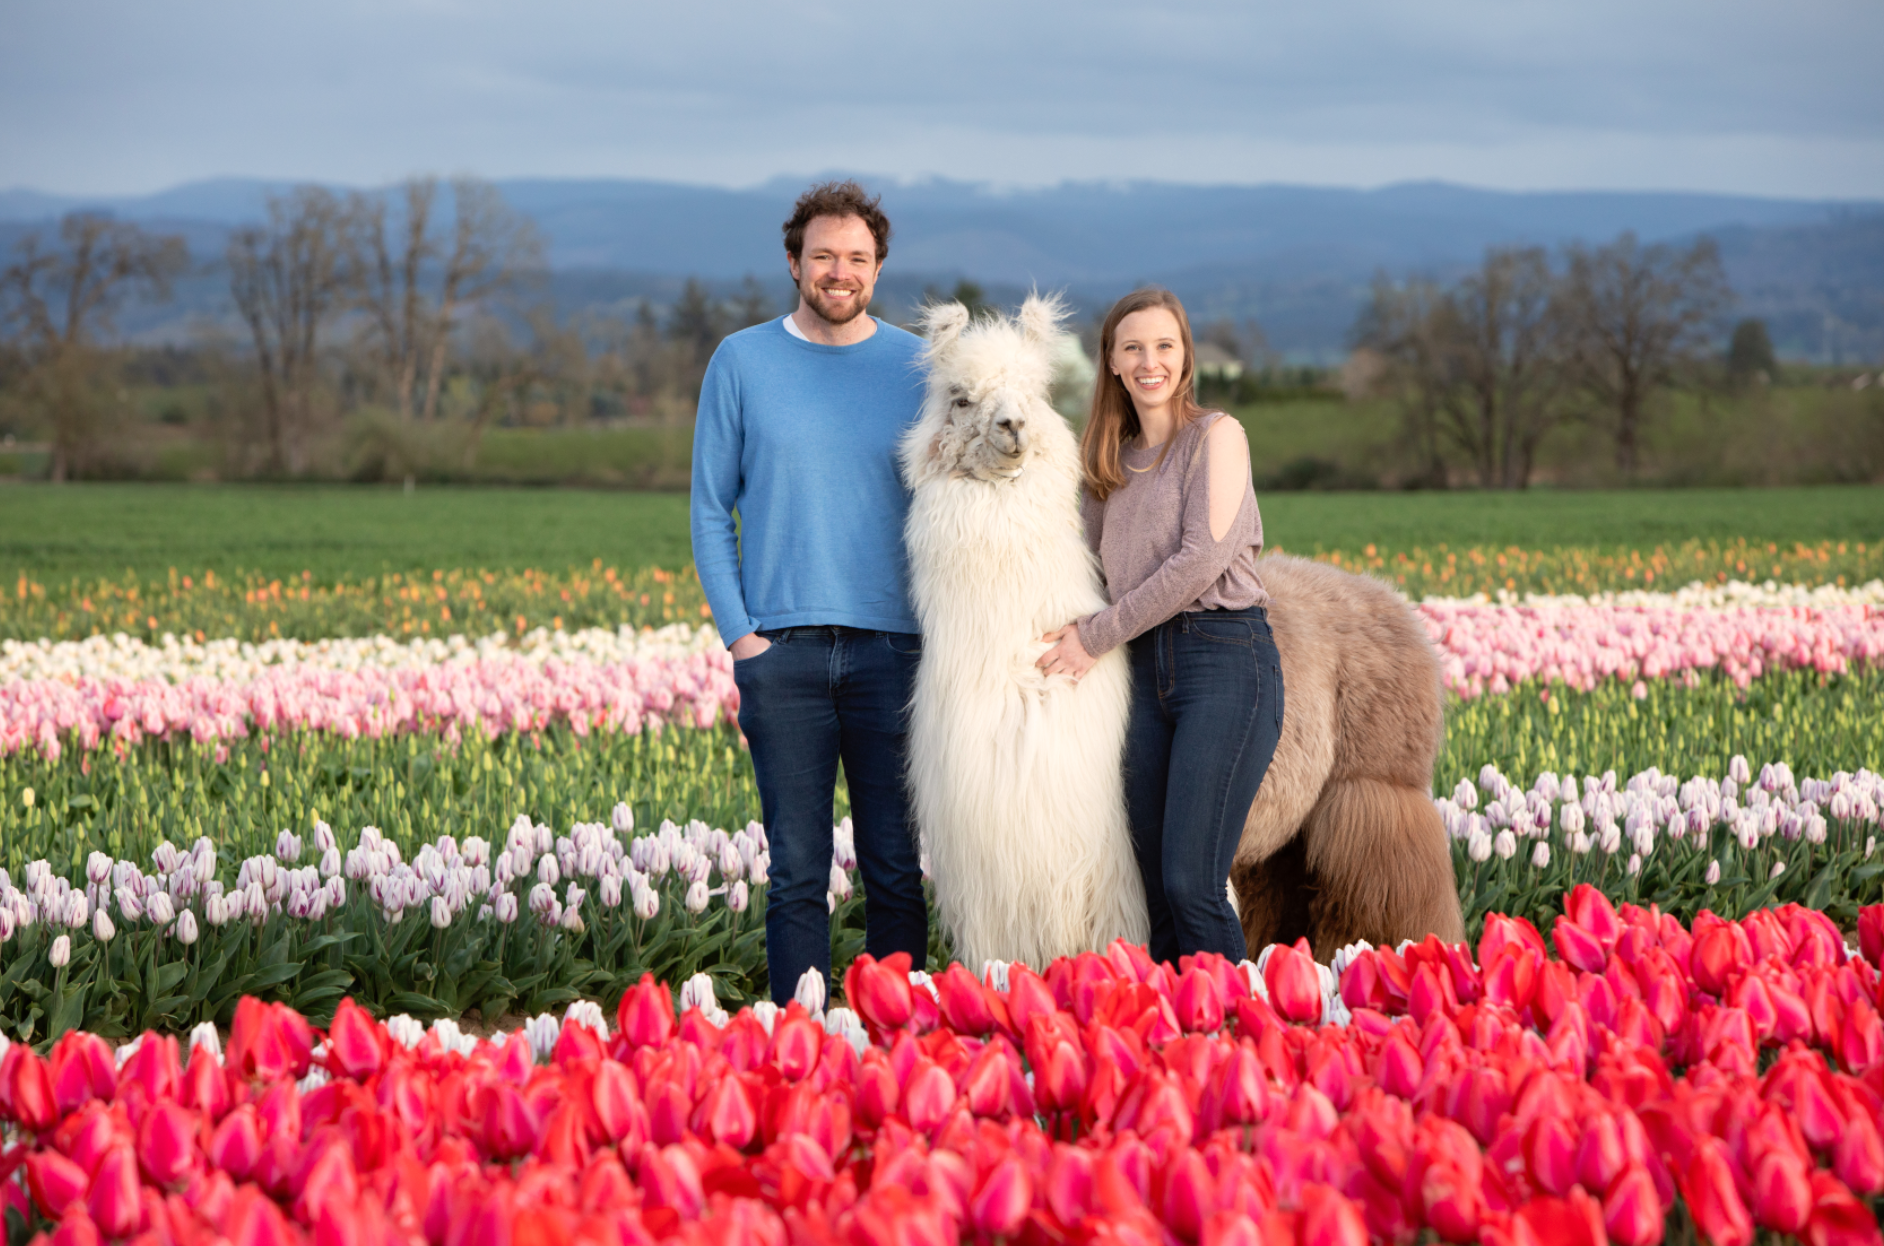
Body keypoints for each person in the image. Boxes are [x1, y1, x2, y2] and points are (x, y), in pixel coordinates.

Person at [690, 181, 929, 1003]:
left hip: (895, 651)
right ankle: (803, 1043)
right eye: (824, 255)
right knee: (795, 869)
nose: (840, 271)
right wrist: (740, 637)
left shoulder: (916, 367)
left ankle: (893, 1034)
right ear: (794, 262)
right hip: (781, 655)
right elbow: (707, 505)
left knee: (895, 864)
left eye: (857, 258)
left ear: (877, 268)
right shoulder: (743, 361)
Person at [1036, 287, 1283, 966]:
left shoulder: (1217, 436)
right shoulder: (1105, 466)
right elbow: (1084, 567)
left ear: (1185, 357)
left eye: (1164, 346)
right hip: (1144, 673)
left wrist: (1093, 636)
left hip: (1225, 662)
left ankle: (1243, 1035)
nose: (1151, 362)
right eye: (1133, 348)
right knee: (1152, 887)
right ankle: (1177, 1045)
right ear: (1111, 363)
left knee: (1192, 881)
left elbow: (1199, 560)